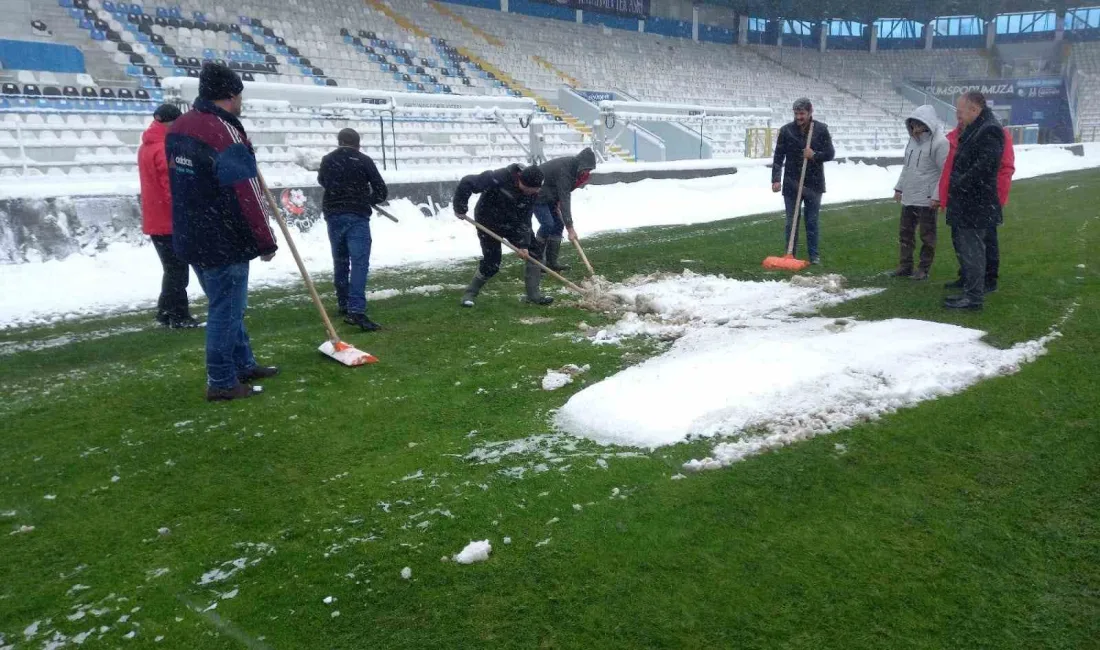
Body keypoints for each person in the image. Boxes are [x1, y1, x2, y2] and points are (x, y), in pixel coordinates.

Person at [166, 63, 280, 401]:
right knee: (226, 310)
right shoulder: (222, 132)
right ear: (231, 95)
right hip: (222, 237)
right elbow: (245, 192)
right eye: (240, 94)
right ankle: (221, 381)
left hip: (192, 233)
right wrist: (265, 239)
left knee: (227, 305)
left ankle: (243, 363)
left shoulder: (180, 127)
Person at [318, 128, 388, 332]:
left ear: (339, 142)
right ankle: (356, 309)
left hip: (333, 215)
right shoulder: (363, 160)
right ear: (358, 144)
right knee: (359, 263)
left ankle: (343, 302)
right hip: (357, 215)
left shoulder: (328, 159)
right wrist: (367, 198)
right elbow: (381, 191)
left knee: (340, 261)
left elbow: (322, 181)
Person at [140, 103, 202, 328]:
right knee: (178, 270)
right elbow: (171, 187)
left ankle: (166, 311)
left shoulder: (147, 145)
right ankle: (178, 315)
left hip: (155, 218)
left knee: (172, 269)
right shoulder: (164, 147)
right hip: (169, 219)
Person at [937, 115, 1015, 293]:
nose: (959, 117)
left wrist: (998, 196)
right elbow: (949, 169)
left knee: (985, 241)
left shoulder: (994, 134)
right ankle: (967, 275)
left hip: (984, 198)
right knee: (960, 240)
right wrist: (945, 195)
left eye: (962, 113)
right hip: (960, 197)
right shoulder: (956, 135)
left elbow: (1005, 167)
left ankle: (988, 279)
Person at [942, 91, 1005, 311]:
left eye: (960, 110)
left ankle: (974, 298)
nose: (958, 115)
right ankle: (970, 291)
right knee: (968, 249)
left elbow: (986, 166)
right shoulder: (977, 127)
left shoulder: (990, 130)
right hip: (969, 201)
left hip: (976, 202)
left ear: (974, 109)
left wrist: (960, 182)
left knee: (974, 250)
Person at [453, 164, 546, 307]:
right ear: (524, 183)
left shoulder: (532, 193)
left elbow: (525, 218)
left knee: (534, 253)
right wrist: (460, 207)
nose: (537, 191)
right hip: (488, 221)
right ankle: (470, 293)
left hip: (513, 222)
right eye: (534, 189)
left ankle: (533, 296)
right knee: (492, 263)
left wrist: (523, 244)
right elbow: (467, 182)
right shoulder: (498, 177)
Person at [771, 97, 835, 265]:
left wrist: (814, 155)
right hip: (792, 182)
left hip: (814, 184)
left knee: (811, 221)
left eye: (802, 113)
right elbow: (778, 156)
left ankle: (814, 255)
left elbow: (830, 153)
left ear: (810, 112)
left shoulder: (820, 130)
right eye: (796, 113)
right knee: (791, 221)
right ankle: (790, 253)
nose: (799, 117)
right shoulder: (786, 131)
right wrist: (776, 179)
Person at [891, 105, 949, 281]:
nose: (914, 128)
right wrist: (899, 187)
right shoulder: (911, 142)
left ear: (927, 124)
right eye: (912, 124)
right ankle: (905, 265)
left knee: (927, 235)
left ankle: (923, 268)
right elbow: (907, 167)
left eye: (918, 124)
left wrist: (937, 196)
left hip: (927, 198)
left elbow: (945, 171)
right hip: (909, 195)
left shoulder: (940, 143)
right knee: (905, 233)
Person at [533, 147, 597, 272]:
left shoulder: (574, 170)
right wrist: (570, 227)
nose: (586, 173)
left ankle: (551, 262)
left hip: (550, 196)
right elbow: (565, 197)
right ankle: (536, 260)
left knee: (557, 225)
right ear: (581, 165)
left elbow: (563, 193)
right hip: (536, 194)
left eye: (589, 170)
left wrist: (557, 202)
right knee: (547, 224)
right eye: (586, 170)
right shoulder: (566, 170)